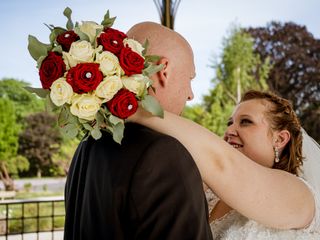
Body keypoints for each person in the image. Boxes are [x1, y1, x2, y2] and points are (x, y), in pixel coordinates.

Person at [64, 22, 213, 240]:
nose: (190, 95)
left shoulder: (88, 145)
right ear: (164, 70)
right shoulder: (164, 153)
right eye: (190, 79)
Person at [130, 90, 320, 239]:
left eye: (245, 122)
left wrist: (135, 110)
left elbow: (221, 162)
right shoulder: (207, 192)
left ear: (279, 139)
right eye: (230, 122)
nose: (229, 130)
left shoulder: (299, 194)